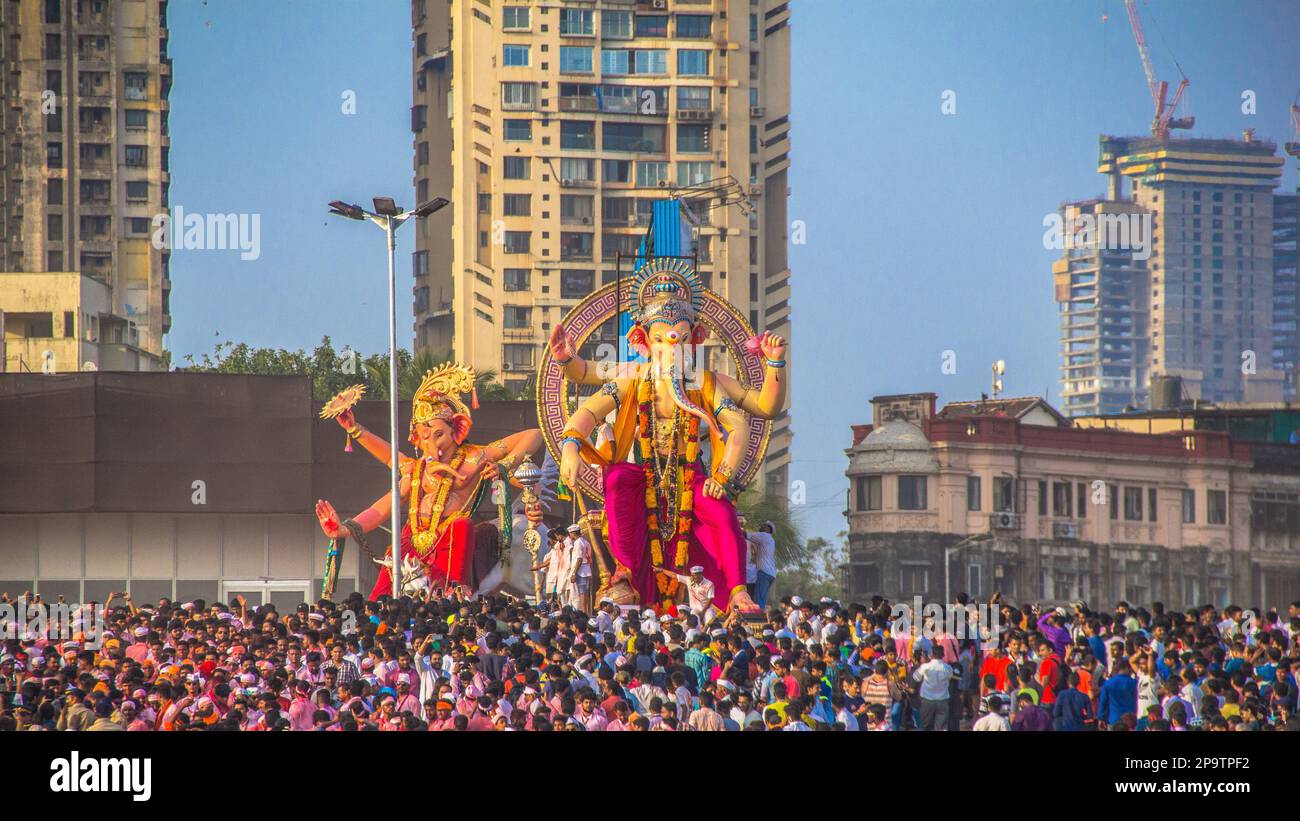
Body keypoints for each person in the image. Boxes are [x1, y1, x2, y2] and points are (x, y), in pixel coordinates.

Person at [912, 648, 952, 731]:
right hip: (942, 700)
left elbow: (916, 677)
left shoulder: (926, 667)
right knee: (941, 728)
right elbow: (950, 677)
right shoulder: (947, 668)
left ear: (932, 655)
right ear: (943, 656)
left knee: (925, 726)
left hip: (927, 700)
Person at [746, 521, 778, 609]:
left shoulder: (764, 536)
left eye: (764, 526)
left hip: (764, 572)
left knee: (758, 599)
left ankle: (758, 617)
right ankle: (760, 613)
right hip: (770, 573)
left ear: (768, 529)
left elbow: (746, 535)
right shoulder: (770, 539)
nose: (762, 526)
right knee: (761, 597)